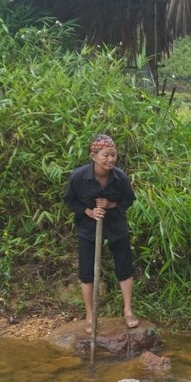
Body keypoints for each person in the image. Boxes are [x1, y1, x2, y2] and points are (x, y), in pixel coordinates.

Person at [64, 133, 139, 330]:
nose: (110, 159)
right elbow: (70, 201)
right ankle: (90, 315)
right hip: (88, 228)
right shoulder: (79, 177)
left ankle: (128, 310)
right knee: (86, 271)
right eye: (106, 155)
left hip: (116, 225)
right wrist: (88, 210)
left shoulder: (120, 177)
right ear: (94, 156)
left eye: (113, 155)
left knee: (124, 266)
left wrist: (111, 204)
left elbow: (129, 200)